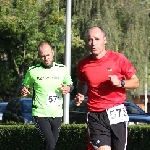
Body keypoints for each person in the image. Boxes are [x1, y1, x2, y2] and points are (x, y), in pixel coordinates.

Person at [74, 26, 139, 150]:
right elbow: (82, 82)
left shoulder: (118, 59)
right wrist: (80, 94)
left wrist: (121, 83)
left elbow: (136, 82)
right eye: (90, 40)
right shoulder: (83, 64)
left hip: (117, 113)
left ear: (105, 40)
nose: (93, 43)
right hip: (95, 114)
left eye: (97, 39)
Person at [21, 41, 73, 150]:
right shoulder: (32, 71)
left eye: (48, 55)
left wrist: (68, 88)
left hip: (57, 112)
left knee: (50, 144)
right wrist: (24, 90)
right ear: (39, 56)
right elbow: (25, 86)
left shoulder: (62, 69)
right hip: (40, 113)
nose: (46, 58)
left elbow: (71, 85)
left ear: (52, 53)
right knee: (50, 143)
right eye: (43, 56)